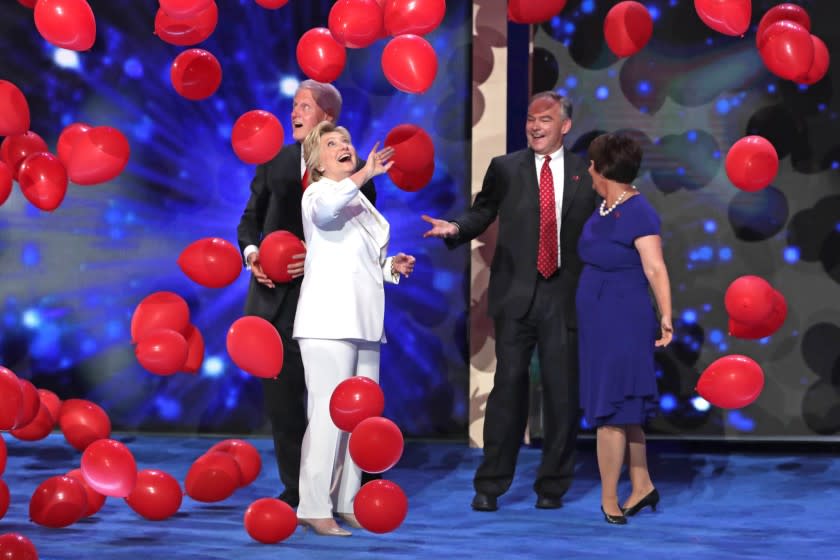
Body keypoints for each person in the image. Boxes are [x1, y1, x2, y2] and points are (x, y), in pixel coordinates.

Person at [422, 92, 597, 511]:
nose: (536, 126)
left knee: (562, 396)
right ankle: (491, 484)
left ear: (565, 126)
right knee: (508, 392)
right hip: (516, 295)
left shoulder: (585, 173)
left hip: (564, 296)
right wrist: (456, 228)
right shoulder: (506, 168)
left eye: (546, 119)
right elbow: (482, 212)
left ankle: (552, 487)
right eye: (531, 119)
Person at [236, 80, 377, 508]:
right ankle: (298, 489)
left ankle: (348, 486)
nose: (294, 113)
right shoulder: (274, 161)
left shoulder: (352, 170)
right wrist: (253, 253)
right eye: (293, 105)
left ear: (327, 118)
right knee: (283, 403)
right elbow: (249, 220)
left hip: (327, 305)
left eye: (304, 106)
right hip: (273, 302)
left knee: (334, 396)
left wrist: (311, 257)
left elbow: (359, 239)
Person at [293, 121, 415, 536]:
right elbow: (327, 216)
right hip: (328, 322)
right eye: (332, 144)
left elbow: (356, 260)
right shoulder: (318, 194)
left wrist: (389, 267)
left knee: (359, 420)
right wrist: (364, 174)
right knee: (328, 416)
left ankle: (347, 501)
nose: (344, 146)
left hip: (364, 321)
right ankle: (312, 504)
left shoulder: (359, 202)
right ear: (317, 161)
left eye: (346, 140)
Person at [576, 133, 672, 525]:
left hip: (623, 317)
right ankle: (642, 483)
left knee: (612, 408)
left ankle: (609, 498)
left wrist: (666, 316)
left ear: (602, 169)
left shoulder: (639, 211)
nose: (588, 170)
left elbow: (654, 267)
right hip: (598, 317)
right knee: (625, 405)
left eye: (592, 163)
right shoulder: (603, 206)